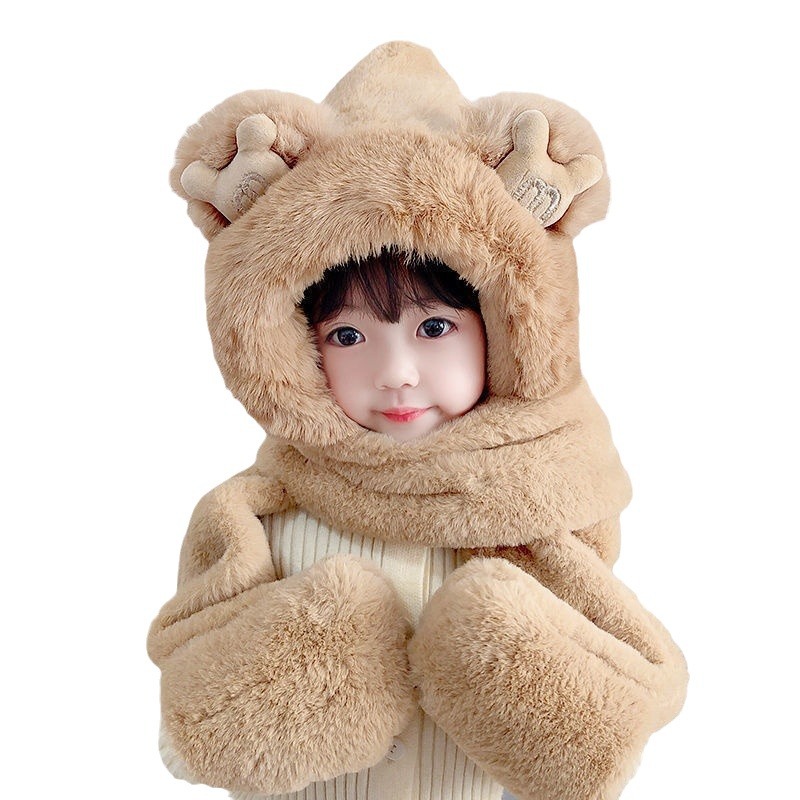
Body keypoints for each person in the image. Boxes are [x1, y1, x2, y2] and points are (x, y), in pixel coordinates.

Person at [148, 41, 688, 800]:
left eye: (433, 328)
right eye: (347, 336)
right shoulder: (256, 515)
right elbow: (187, 714)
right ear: (292, 348)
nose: (395, 371)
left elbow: (633, 692)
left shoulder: (541, 508)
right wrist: (287, 683)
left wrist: (530, 683)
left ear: (506, 328)